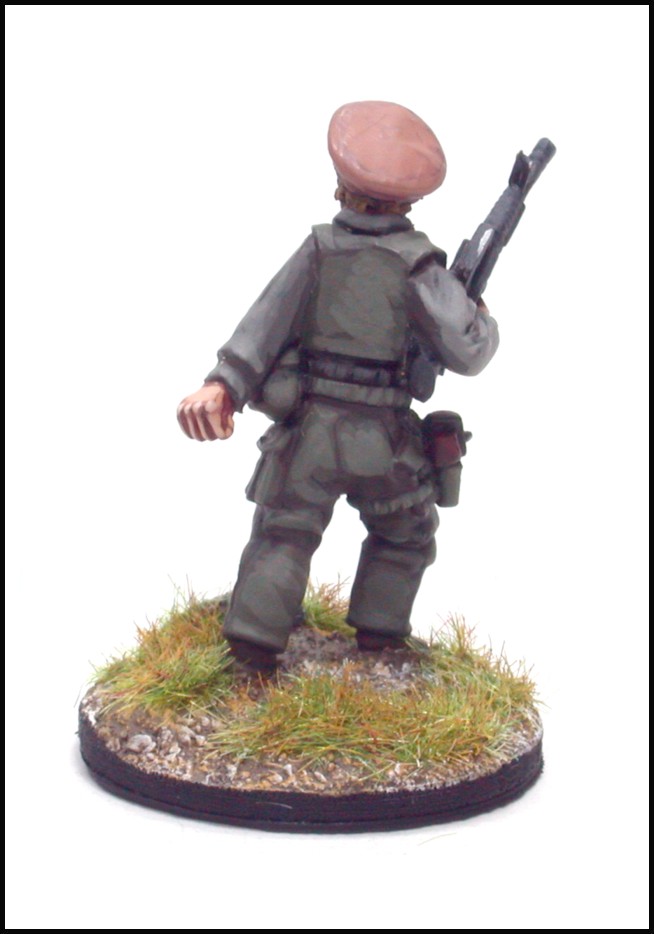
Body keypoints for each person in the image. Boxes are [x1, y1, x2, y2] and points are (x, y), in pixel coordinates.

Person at [177, 101, 499, 672]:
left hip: (311, 434)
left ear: (341, 186)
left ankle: (251, 647)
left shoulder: (319, 249)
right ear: (411, 200)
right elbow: (469, 351)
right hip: (385, 441)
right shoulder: (419, 266)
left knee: (283, 534)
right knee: (405, 533)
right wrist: (480, 314)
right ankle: (380, 638)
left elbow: (262, 329)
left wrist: (224, 385)